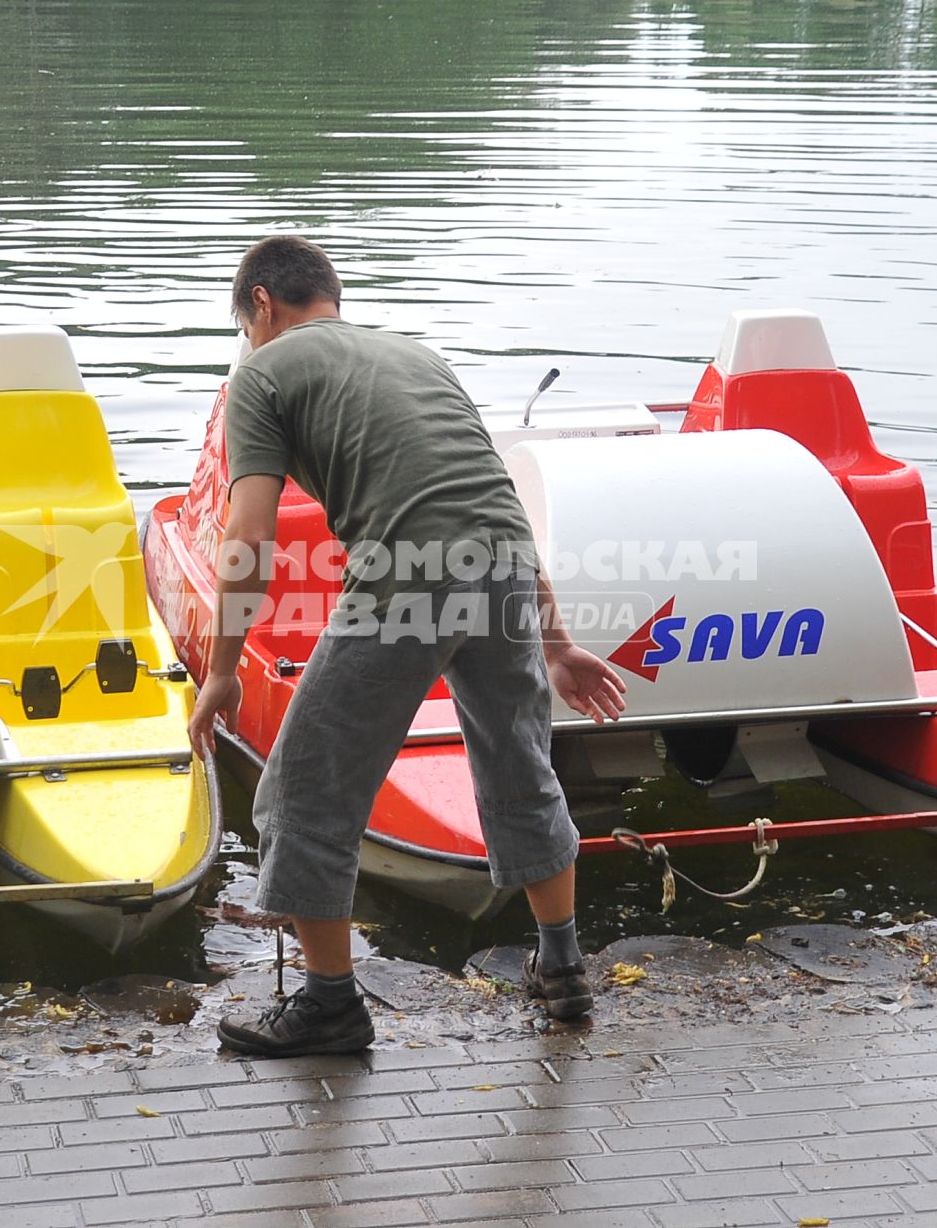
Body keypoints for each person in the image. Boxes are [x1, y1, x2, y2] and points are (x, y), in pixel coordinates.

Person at [189, 236, 627, 1057]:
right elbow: (493, 501)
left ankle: (328, 1006)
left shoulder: (261, 370)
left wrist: (220, 671)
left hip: (407, 573)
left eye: (245, 325)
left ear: (260, 307)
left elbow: (246, 535)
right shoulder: (418, 356)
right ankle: (562, 967)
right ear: (333, 295)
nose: (248, 341)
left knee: (303, 787)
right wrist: (556, 640)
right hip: (502, 564)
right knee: (519, 762)